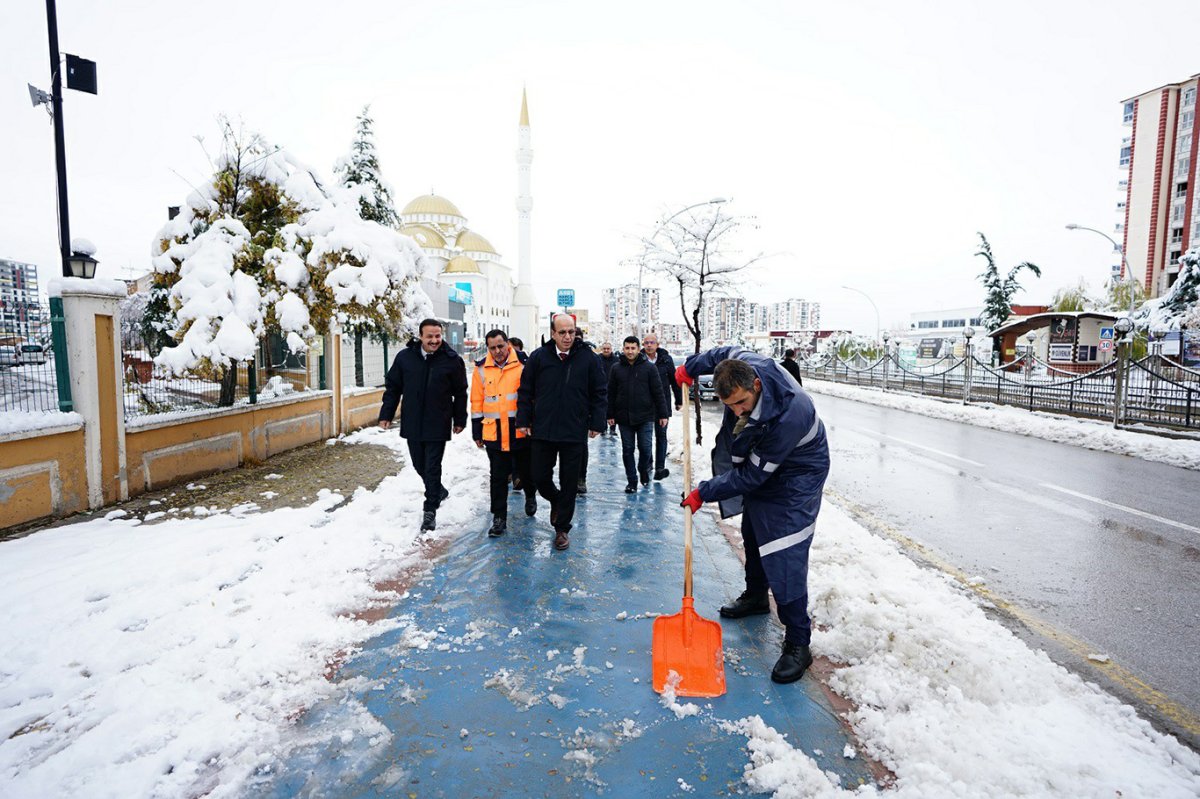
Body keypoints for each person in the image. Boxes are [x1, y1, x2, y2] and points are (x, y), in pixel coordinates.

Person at [676, 346, 829, 684]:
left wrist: (706, 491)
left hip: (798, 474)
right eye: (729, 406)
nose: (736, 411)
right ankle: (757, 595)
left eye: (741, 404)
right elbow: (718, 355)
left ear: (756, 386)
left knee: (783, 550)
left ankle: (798, 644)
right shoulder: (745, 363)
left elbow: (753, 477)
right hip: (767, 460)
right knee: (754, 530)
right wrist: (690, 367)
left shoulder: (791, 413)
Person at [516, 313, 607, 551]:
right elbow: (525, 391)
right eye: (563, 332)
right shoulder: (539, 358)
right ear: (553, 333)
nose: (568, 337)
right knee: (538, 476)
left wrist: (597, 422)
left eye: (572, 332)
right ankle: (556, 500)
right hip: (543, 429)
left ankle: (562, 529)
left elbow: (599, 392)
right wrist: (523, 420)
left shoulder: (588, 358)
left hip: (573, 430)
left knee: (570, 482)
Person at [379, 318, 468, 531]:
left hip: (438, 422)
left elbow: (460, 393)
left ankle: (430, 510)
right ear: (420, 336)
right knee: (419, 465)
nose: (435, 340)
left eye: (438, 336)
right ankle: (438, 490)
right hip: (412, 422)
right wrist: (386, 414)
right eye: (430, 336)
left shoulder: (452, 360)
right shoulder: (405, 358)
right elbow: (393, 388)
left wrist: (460, 419)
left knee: (432, 466)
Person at [472, 329, 537, 537]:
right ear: (488, 348)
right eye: (493, 348)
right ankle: (499, 518)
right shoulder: (481, 369)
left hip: (520, 429)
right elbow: (476, 402)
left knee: (526, 471)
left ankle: (530, 495)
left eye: (501, 346)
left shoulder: (524, 365)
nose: (498, 351)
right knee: (498, 477)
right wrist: (477, 431)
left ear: (507, 344)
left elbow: (534, 397)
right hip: (494, 432)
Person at [606, 336, 669, 493]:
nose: (630, 351)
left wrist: (663, 414)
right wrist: (610, 414)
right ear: (623, 349)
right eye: (627, 348)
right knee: (627, 449)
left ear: (638, 349)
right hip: (624, 417)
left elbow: (658, 392)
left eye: (633, 348)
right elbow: (611, 393)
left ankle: (643, 469)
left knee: (645, 448)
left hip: (645, 416)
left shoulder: (649, 368)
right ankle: (632, 481)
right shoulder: (616, 368)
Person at [641, 334, 683, 480]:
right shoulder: (639, 359)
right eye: (646, 343)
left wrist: (679, 400)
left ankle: (660, 467)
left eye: (652, 342)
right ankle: (648, 463)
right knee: (646, 437)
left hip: (662, 404)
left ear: (657, 344)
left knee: (661, 435)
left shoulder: (666, 359)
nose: (649, 345)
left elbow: (674, 380)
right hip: (644, 404)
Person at [597, 342, 620, 436]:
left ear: (611, 349)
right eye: (604, 349)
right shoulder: (597, 359)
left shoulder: (616, 360)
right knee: (602, 408)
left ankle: (613, 428)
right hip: (601, 387)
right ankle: (603, 428)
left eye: (608, 349)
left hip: (613, 387)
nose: (606, 350)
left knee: (613, 408)